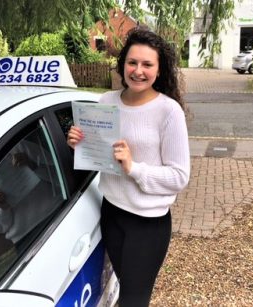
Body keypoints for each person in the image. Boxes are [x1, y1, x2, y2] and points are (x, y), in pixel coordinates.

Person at [67, 27, 190, 306]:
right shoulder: (106, 101)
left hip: (147, 223)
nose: (138, 71)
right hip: (111, 212)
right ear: (122, 64)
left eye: (147, 64)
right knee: (124, 289)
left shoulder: (168, 111)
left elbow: (179, 176)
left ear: (159, 70)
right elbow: (97, 154)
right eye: (132, 62)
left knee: (134, 301)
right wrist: (78, 144)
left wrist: (133, 167)